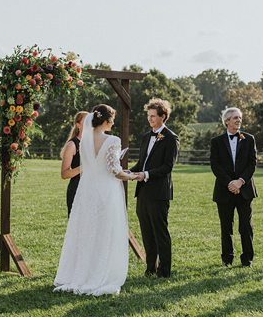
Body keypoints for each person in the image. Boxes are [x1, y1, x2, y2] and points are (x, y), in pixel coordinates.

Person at [54, 104, 137, 295]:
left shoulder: (83, 142)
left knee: (86, 233)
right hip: (106, 192)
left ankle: (81, 273)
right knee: (105, 232)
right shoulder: (113, 140)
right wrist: (131, 176)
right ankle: (100, 274)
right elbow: (114, 171)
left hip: (87, 191)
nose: (113, 123)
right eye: (113, 119)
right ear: (107, 121)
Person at [131, 98, 179, 278]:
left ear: (163, 116)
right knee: (146, 231)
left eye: (153, 116)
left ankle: (164, 270)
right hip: (142, 192)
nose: (149, 119)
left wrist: (146, 175)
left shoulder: (171, 138)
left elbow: (168, 167)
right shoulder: (146, 136)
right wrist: (129, 171)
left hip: (159, 193)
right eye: (148, 115)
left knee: (160, 232)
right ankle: (150, 268)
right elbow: (142, 163)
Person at [210, 107, 257, 267]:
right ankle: (227, 259)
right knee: (226, 227)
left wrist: (240, 181)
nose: (238, 120)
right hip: (224, 190)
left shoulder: (249, 139)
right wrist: (229, 182)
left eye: (240, 118)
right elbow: (215, 165)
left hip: (245, 190)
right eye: (235, 117)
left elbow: (252, 164)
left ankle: (247, 258)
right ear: (227, 121)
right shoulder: (216, 142)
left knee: (245, 226)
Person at [60, 111, 88, 217]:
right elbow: (64, 174)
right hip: (77, 189)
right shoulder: (72, 144)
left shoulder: (94, 143)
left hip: (92, 189)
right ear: (78, 125)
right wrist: (83, 167)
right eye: (86, 122)